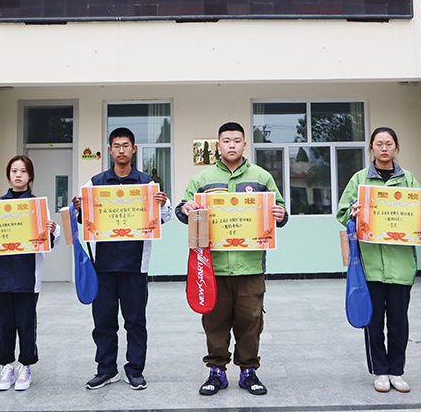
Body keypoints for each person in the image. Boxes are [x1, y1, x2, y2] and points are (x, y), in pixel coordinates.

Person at [176, 122, 288, 396]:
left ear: (244, 145)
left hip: (250, 266)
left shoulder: (262, 177)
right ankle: (217, 371)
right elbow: (182, 209)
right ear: (218, 145)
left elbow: (281, 211)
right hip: (213, 267)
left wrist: (280, 214)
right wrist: (186, 208)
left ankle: (249, 371)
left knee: (250, 321)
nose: (232, 145)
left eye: (237, 140)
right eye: (226, 141)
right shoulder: (202, 180)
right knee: (214, 321)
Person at [336, 127, 421, 394]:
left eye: (389, 143)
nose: (384, 148)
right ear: (371, 147)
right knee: (374, 322)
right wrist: (353, 212)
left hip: (401, 265)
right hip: (370, 266)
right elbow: (342, 213)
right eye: (379, 143)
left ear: (396, 147)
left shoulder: (409, 179)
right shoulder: (360, 180)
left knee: (399, 322)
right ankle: (380, 371)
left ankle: (397, 370)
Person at [75, 127, 172, 391]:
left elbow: (166, 217)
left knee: (135, 321)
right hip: (102, 266)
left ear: (134, 149)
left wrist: (162, 204)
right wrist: (79, 208)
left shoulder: (148, 184)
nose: (121, 150)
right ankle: (106, 369)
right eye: (116, 146)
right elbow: (81, 221)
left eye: (125, 145)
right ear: (109, 150)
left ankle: (135, 370)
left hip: (135, 264)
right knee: (104, 321)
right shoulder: (94, 184)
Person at [0, 155, 60, 392]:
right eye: (13, 171)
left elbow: (50, 242)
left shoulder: (38, 206)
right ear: (8, 175)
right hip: (0, 275)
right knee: (4, 324)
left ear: (30, 176)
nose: (18, 175)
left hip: (26, 276)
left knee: (26, 324)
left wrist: (52, 229)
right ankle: (7, 365)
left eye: (22, 171)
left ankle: (26, 365)